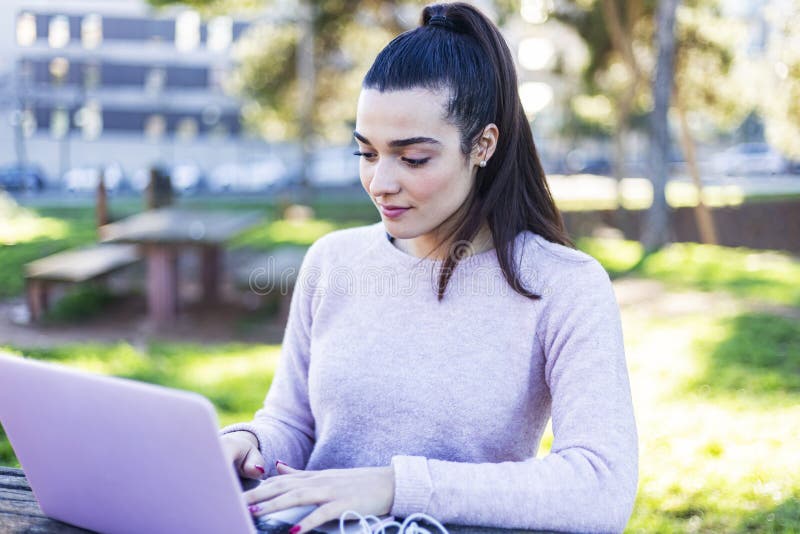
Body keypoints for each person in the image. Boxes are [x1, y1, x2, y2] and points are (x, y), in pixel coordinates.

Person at [220, 2, 638, 533]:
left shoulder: (563, 285)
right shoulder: (333, 260)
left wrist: (395, 486)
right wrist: (247, 444)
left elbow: (601, 488)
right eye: (366, 154)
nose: (381, 183)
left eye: (412, 158)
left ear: (483, 145)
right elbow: (292, 422)